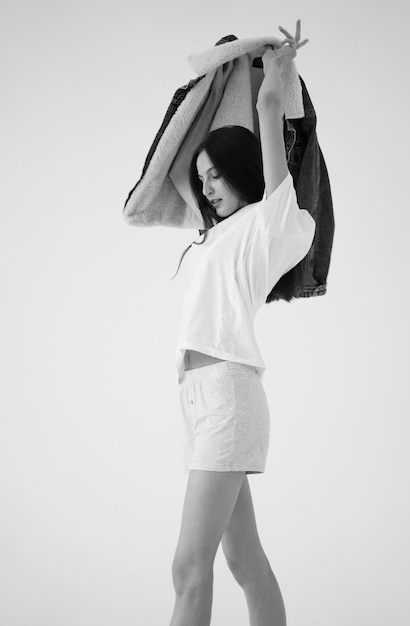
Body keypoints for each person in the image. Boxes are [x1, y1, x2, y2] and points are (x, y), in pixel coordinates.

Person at [170, 21, 314, 626]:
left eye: (217, 174)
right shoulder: (212, 235)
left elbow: (269, 111)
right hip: (199, 400)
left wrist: (273, 71)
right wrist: (215, 76)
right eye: (203, 179)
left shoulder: (270, 222)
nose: (205, 186)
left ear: (243, 169)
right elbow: (178, 167)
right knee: (245, 563)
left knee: (188, 565)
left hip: (228, 393)